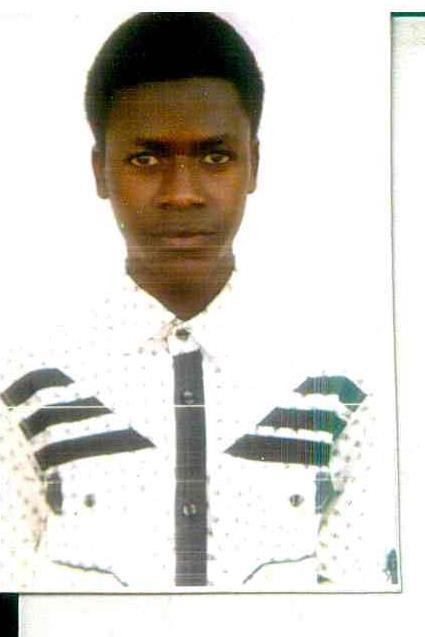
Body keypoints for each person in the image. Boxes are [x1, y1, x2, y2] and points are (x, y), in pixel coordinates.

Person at [0, 12, 399, 592]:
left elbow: (362, 607)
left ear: (253, 165)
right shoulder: (26, 388)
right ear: (100, 171)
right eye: (146, 158)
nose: (183, 192)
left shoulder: (338, 386)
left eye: (215, 157)